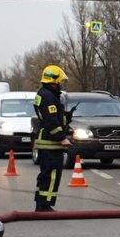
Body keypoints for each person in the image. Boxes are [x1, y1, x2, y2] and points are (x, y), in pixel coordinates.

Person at [33, 65, 72, 212]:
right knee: (52, 175)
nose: (60, 84)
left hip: (46, 140)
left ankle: (41, 203)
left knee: (45, 174)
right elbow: (51, 120)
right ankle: (45, 206)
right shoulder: (49, 97)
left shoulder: (43, 94)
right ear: (54, 81)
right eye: (59, 81)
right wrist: (62, 137)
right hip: (51, 142)